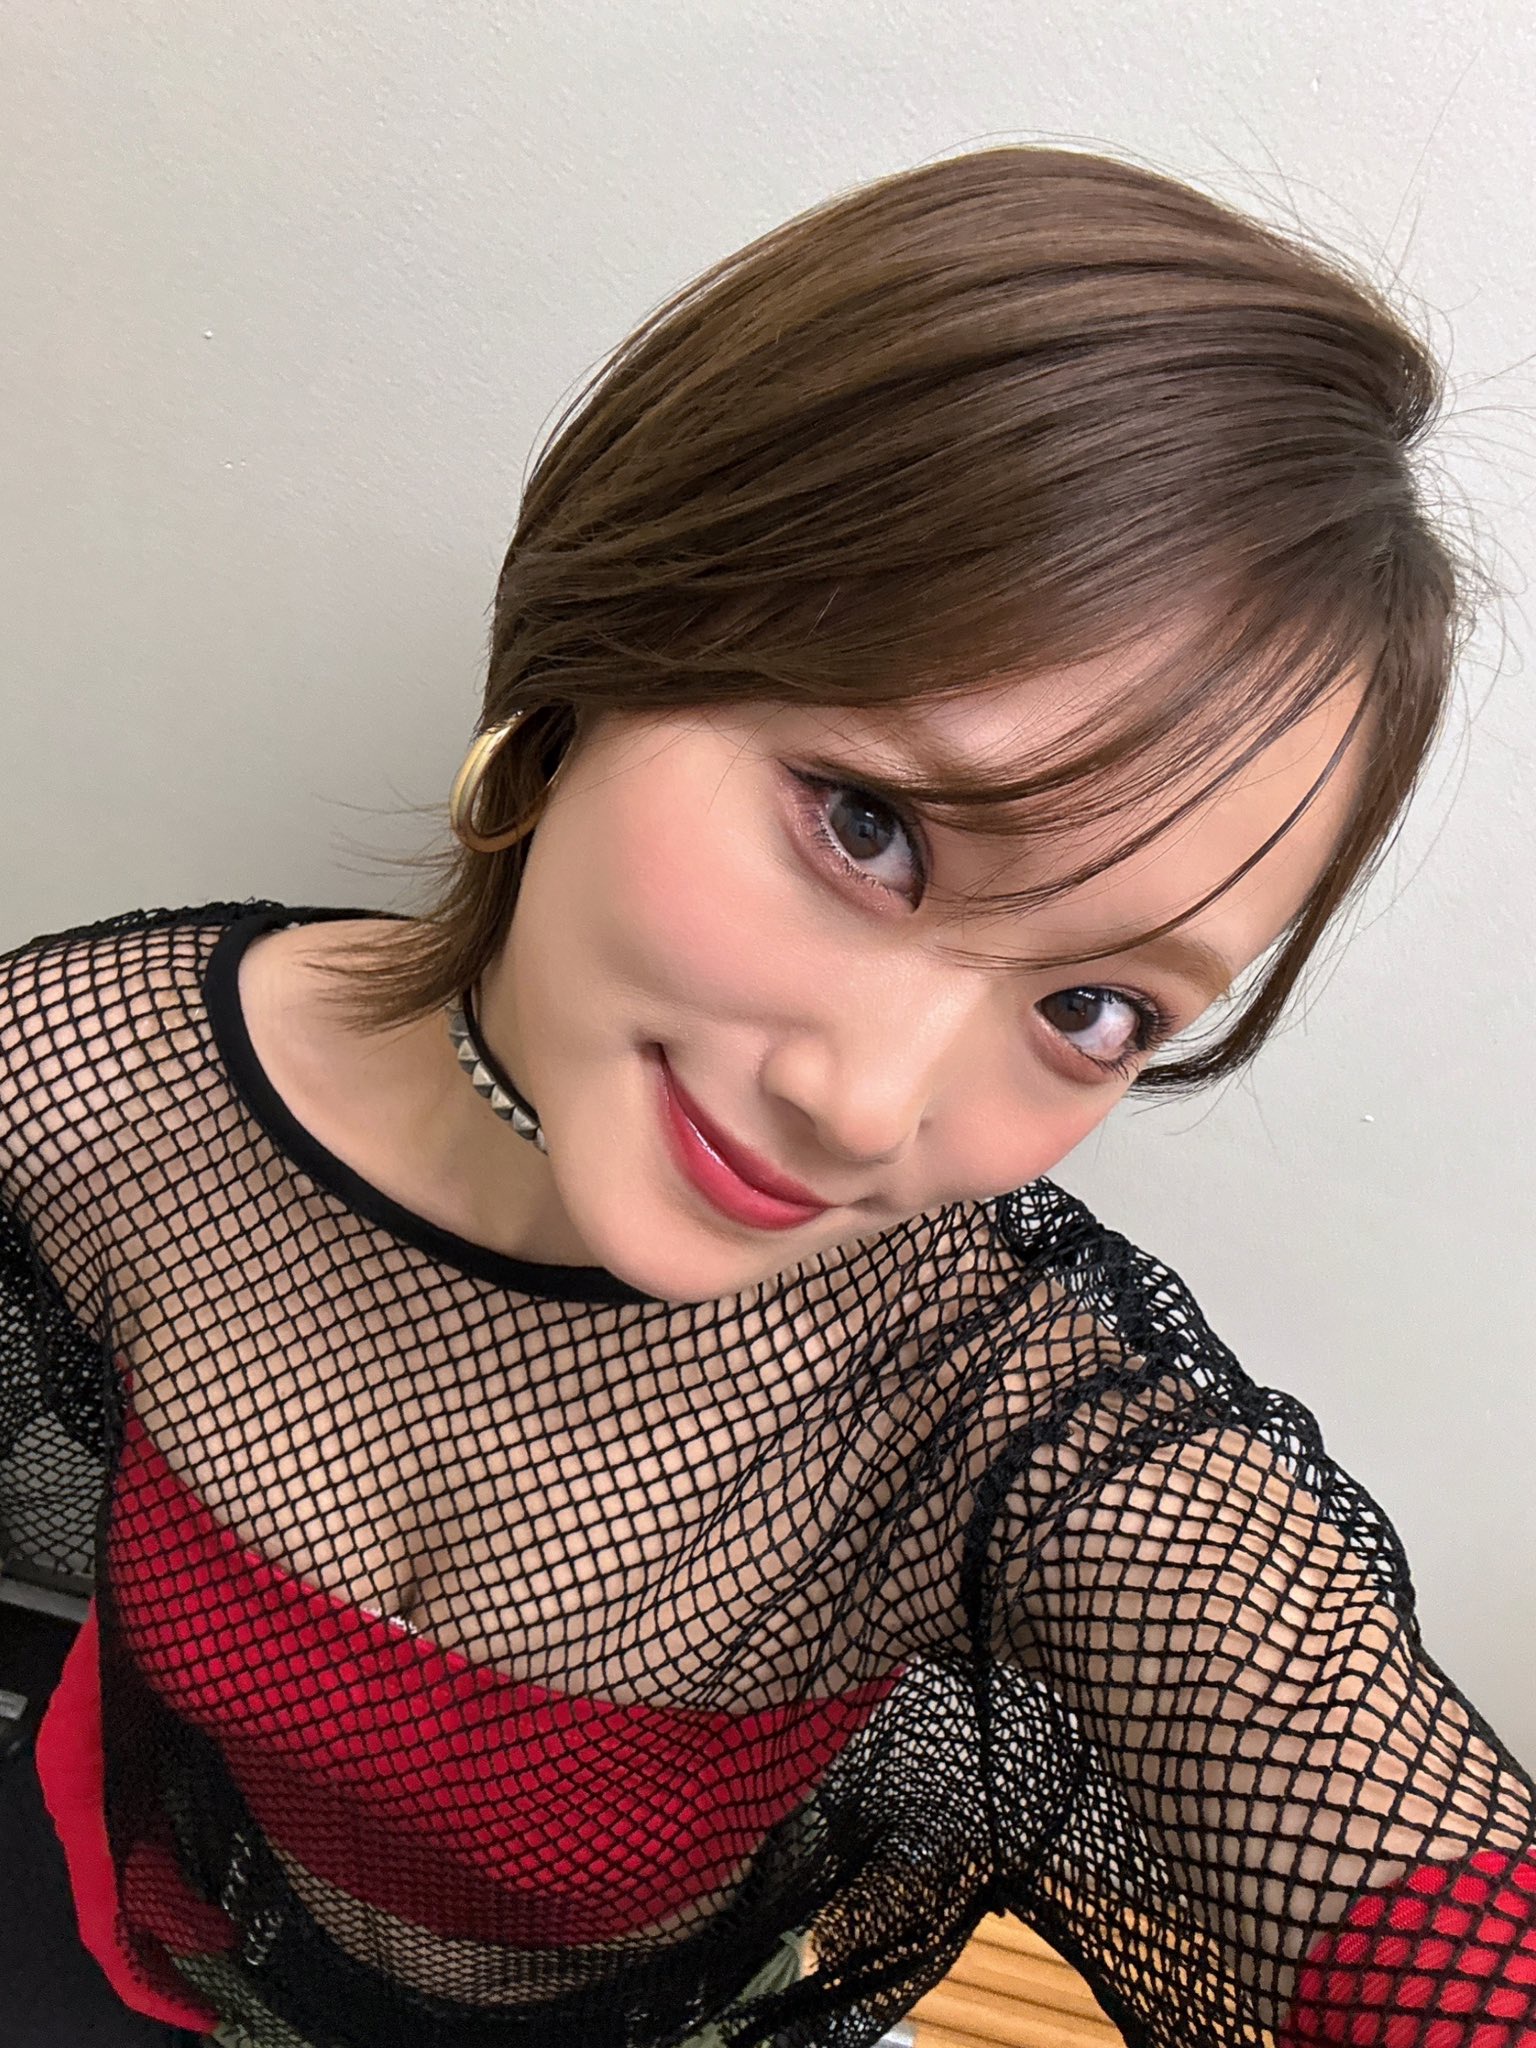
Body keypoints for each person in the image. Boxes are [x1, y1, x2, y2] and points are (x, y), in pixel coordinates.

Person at [1, 143, 1532, 2048]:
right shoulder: (95, 1087)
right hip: (170, 1942)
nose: (868, 1107)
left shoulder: (994, 1411)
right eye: (868, 826)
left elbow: (1380, 1839)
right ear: (604, 644)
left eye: (1094, 1006)